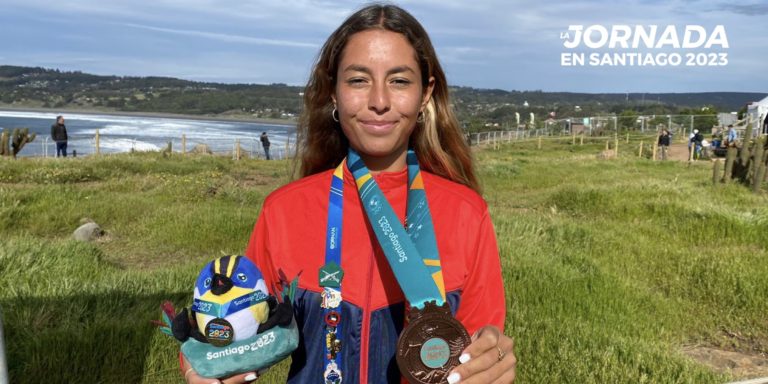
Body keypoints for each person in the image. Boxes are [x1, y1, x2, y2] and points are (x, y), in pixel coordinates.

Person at [182, 4, 515, 384]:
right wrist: (202, 366)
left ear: (426, 94)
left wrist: (490, 363)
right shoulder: (284, 210)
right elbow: (236, 331)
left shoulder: (467, 213)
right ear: (334, 92)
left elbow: (482, 348)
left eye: (400, 81)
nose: (379, 101)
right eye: (358, 80)